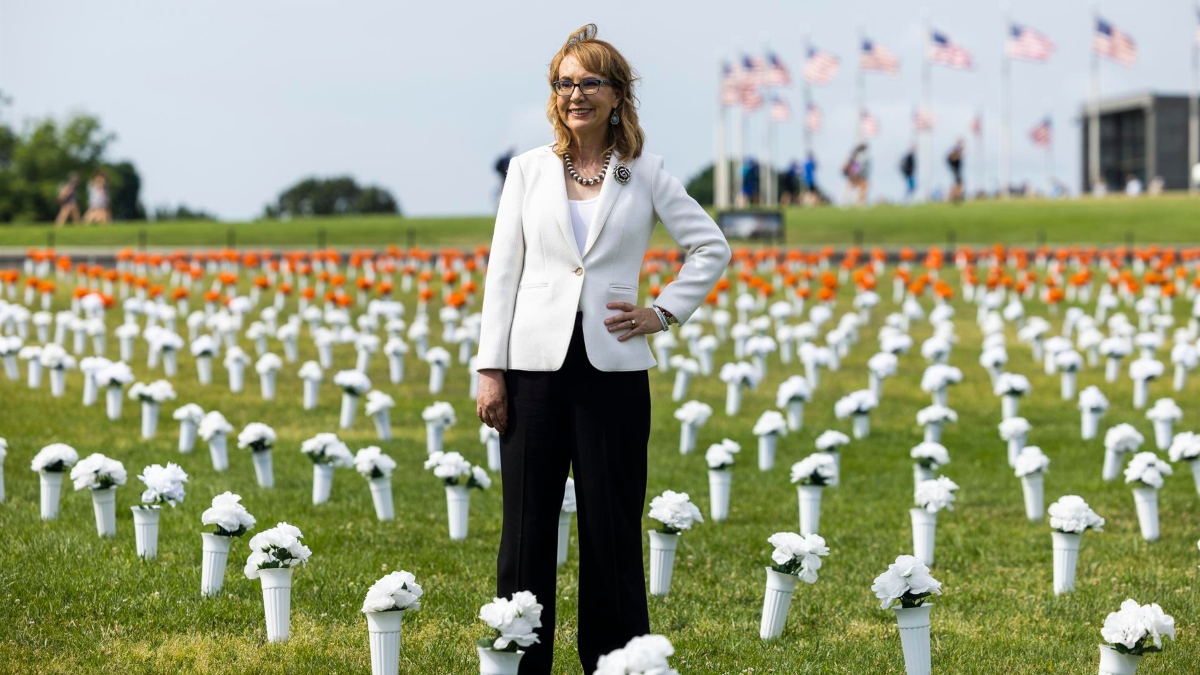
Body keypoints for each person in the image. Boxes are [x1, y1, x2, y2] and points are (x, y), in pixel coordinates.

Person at [474, 24, 730, 675]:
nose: (575, 94)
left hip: (614, 370)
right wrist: (489, 370)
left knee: (611, 529)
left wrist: (662, 310)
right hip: (532, 371)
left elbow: (711, 247)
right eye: (564, 83)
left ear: (617, 94)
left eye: (589, 81)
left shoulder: (643, 172)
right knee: (526, 529)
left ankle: (616, 664)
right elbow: (503, 273)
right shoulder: (529, 171)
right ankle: (519, 661)